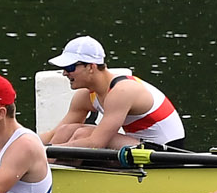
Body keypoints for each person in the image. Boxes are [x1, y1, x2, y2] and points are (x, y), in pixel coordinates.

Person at [39, 36, 187, 149]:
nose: (65, 73)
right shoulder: (85, 96)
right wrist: (19, 141)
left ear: (91, 67)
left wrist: (43, 152)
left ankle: (56, 176)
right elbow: (54, 134)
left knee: (82, 134)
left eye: (70, 67)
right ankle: (51, 172)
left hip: (168, 152)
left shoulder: (122, 91)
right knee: (66, 130)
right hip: (138, 146)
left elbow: (96, 143)